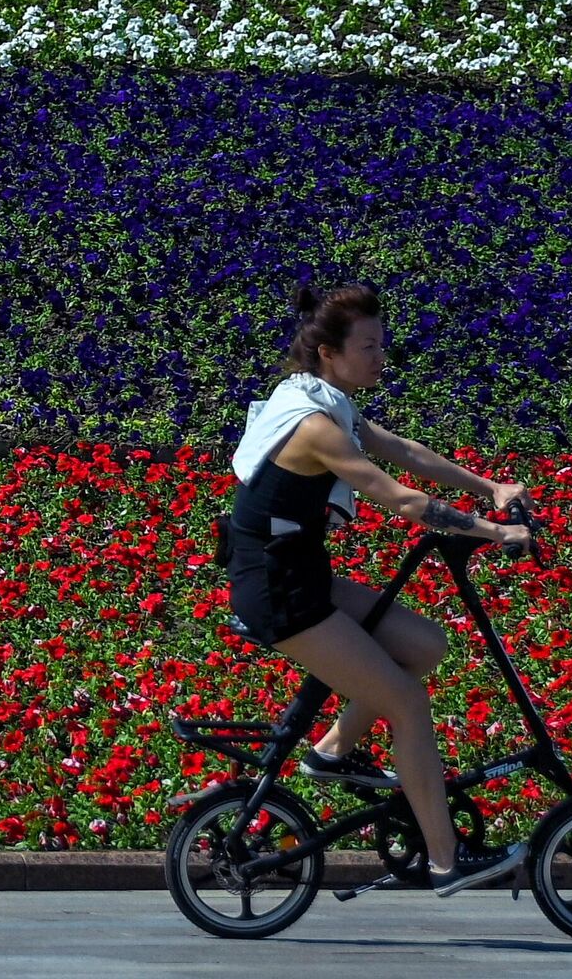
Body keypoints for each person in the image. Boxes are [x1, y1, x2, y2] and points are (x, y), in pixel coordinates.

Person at [223, 281, 535, 896]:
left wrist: (490, 488)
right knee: (406, 703)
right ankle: (447, 863)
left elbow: (405, 451)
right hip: (277, 588)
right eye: (368, 346)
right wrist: (493, 532)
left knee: (424, 646)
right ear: (329, 353)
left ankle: (330, 753)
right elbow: (398, 495)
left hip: (299, 571)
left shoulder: (325, 398)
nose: (379, 357)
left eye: (381, 344)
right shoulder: (313, 425)